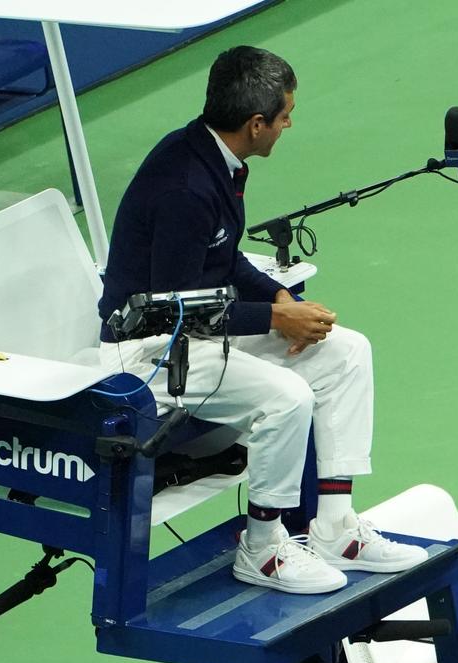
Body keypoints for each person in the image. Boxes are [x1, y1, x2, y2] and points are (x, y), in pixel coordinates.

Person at [97, 46, 426, 594]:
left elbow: (223, 266)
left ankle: (336, 528)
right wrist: (276, 319)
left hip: (191, 333)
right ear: (256, 124)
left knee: (347, 352)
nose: (289, 124)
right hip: (149, 354)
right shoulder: (186, 188)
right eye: (284, 115)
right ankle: (264, 548)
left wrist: (281, 300)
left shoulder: (214, 159)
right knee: (287, 396)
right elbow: (174, 309)